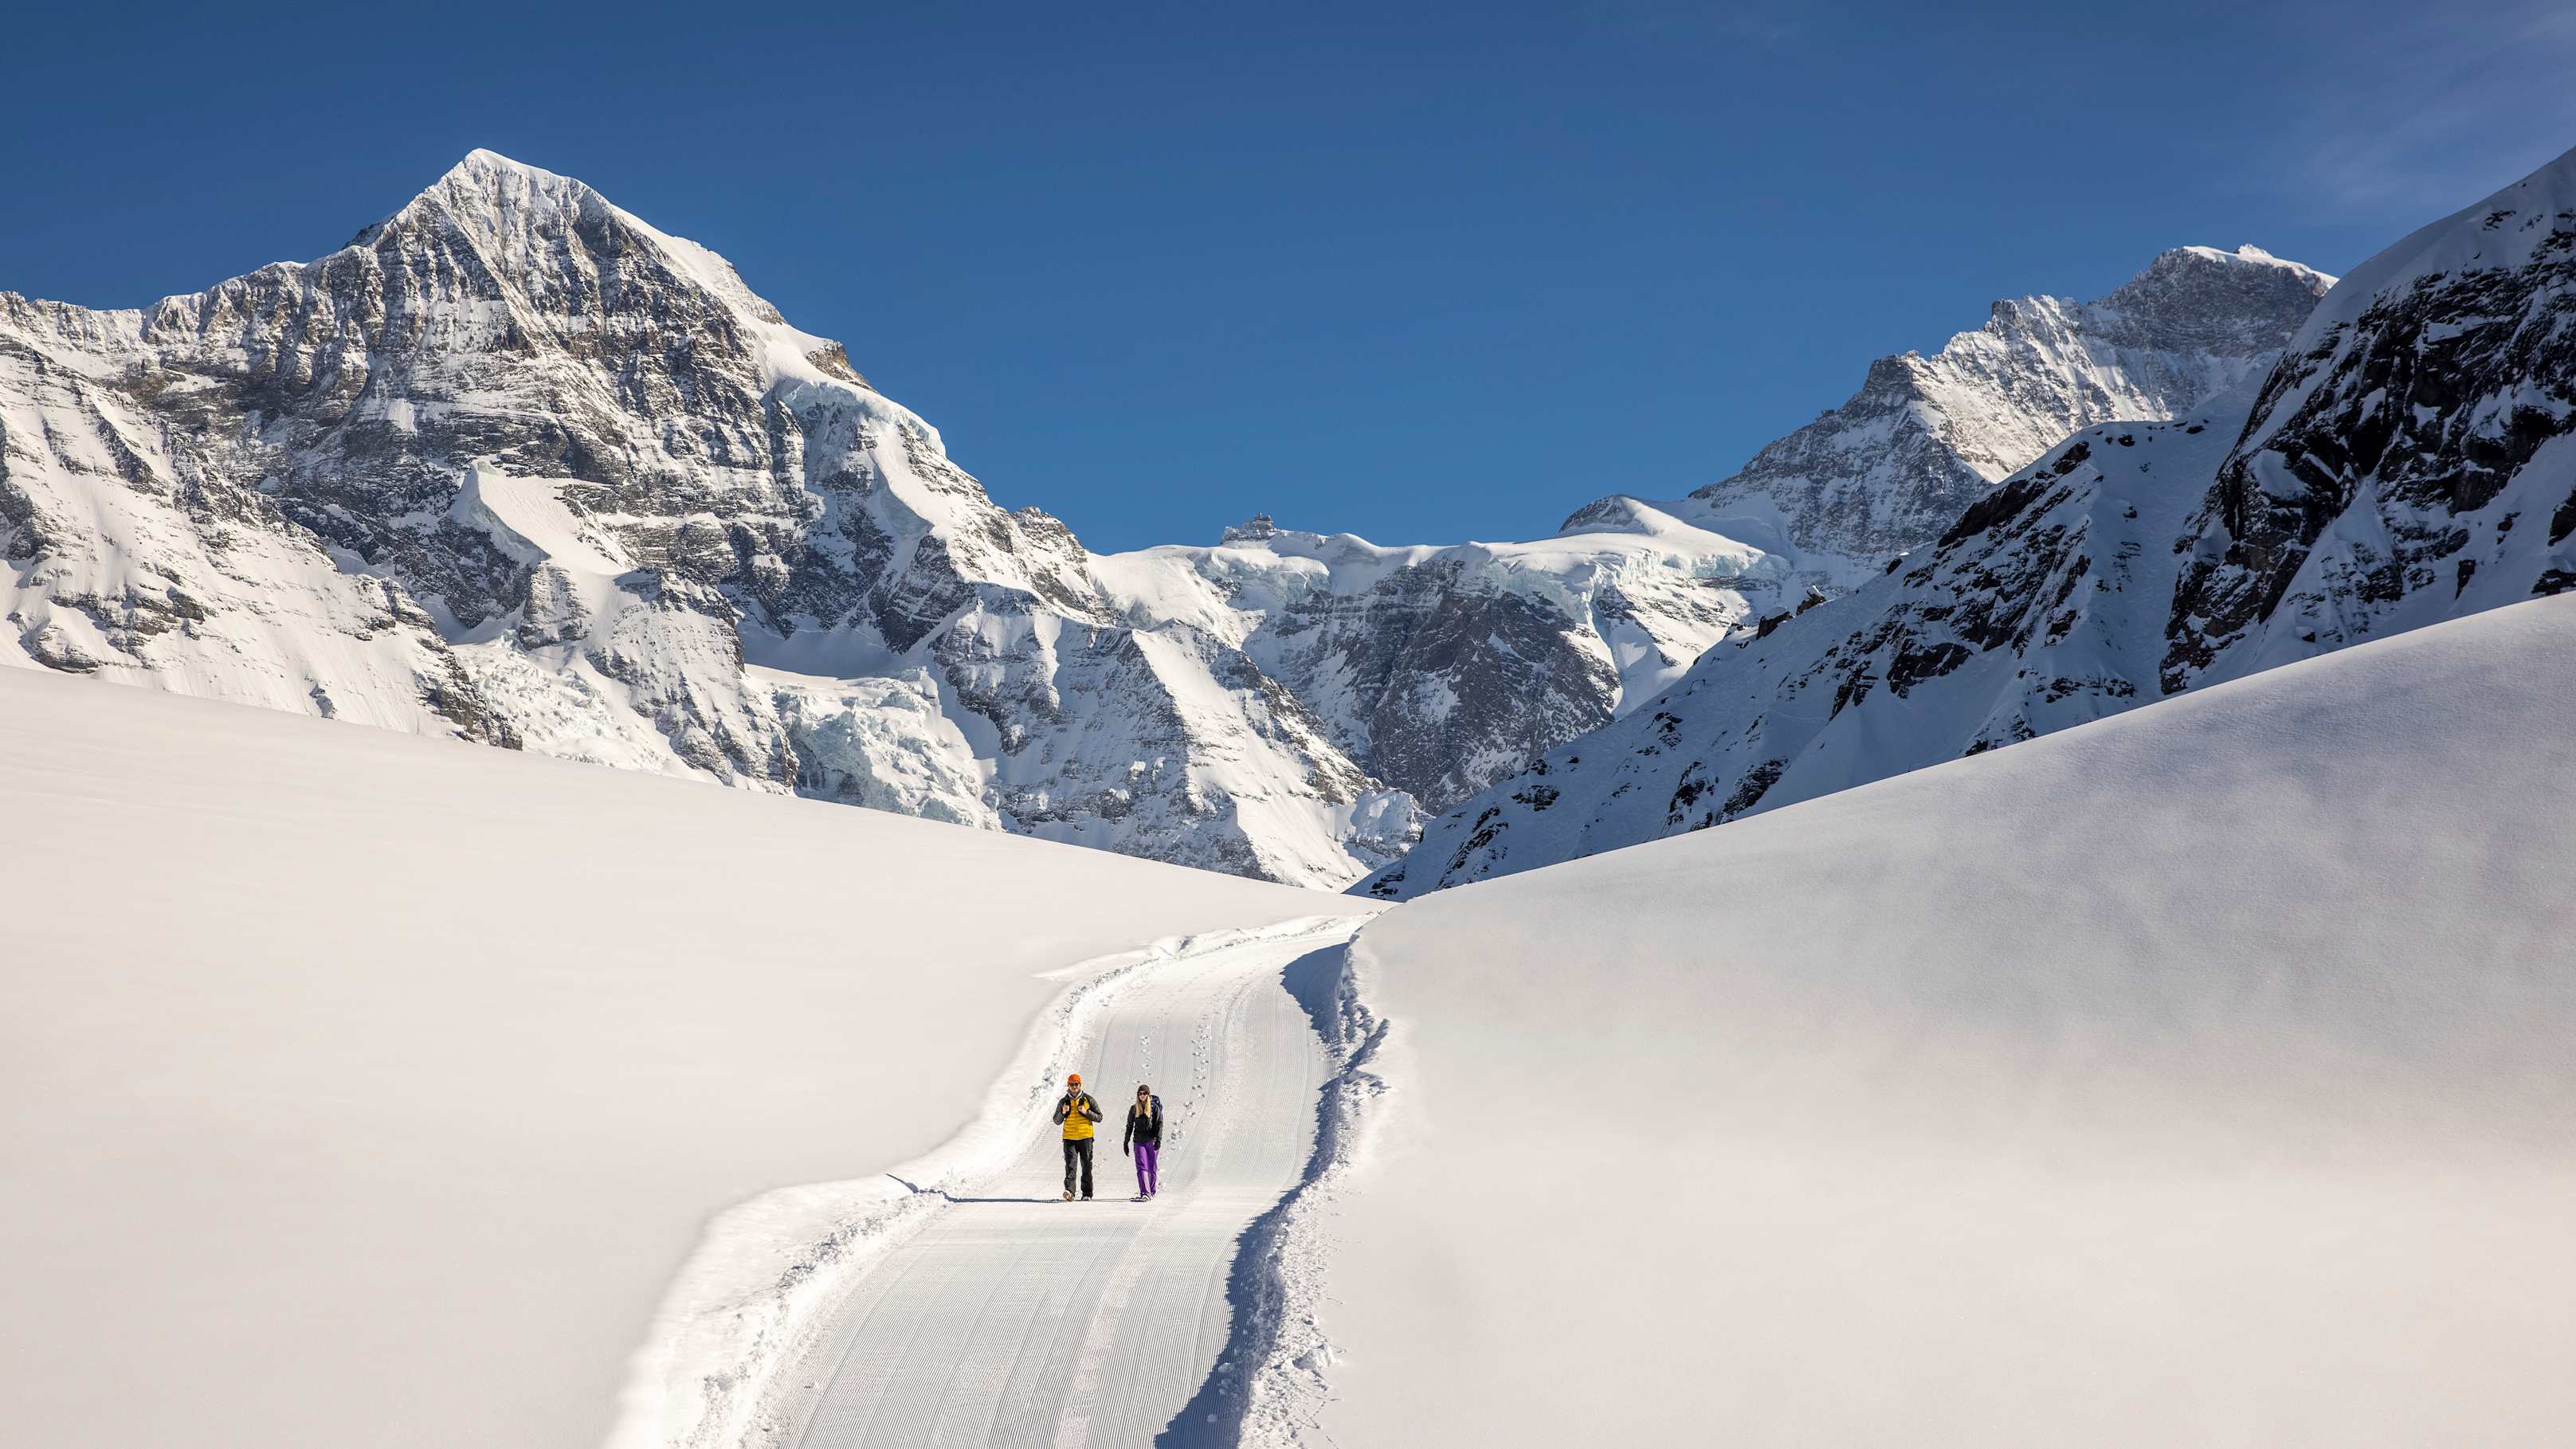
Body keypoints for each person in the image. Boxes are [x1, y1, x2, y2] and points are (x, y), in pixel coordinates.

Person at [1053, 1073, 1102, 1200]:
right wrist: (1063, 1112)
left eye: (1076, 1084)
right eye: (1071, 1084)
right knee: (1070, 1166)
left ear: (1080, 1085)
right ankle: (1070, 1191)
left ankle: (1086, 1194)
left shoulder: (1088, 1100)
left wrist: (1086, 1112)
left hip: (1086, 1138)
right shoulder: (1063, 1102)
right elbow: (1057, 1121)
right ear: (1068, 1086)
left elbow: (1099, 1117)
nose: (1074, 1087)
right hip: (1069, 1139)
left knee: (1086, 1166)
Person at [1123, 1083, 1163, 1199]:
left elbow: (1159, 1124)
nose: (1142, 1096)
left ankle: (1152, 1191)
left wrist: (1158, 1140)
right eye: (1140, 1094)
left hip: (1152, 1141)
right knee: (1142, 1167)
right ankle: (1145, 1193)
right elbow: (1129, 1126)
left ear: (1148, 1094)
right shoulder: (1134, 1108)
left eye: (1145, 1093)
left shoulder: (1155, 1108)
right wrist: (1126, 1142)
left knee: (1152, 1167)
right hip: (1139, 1142)